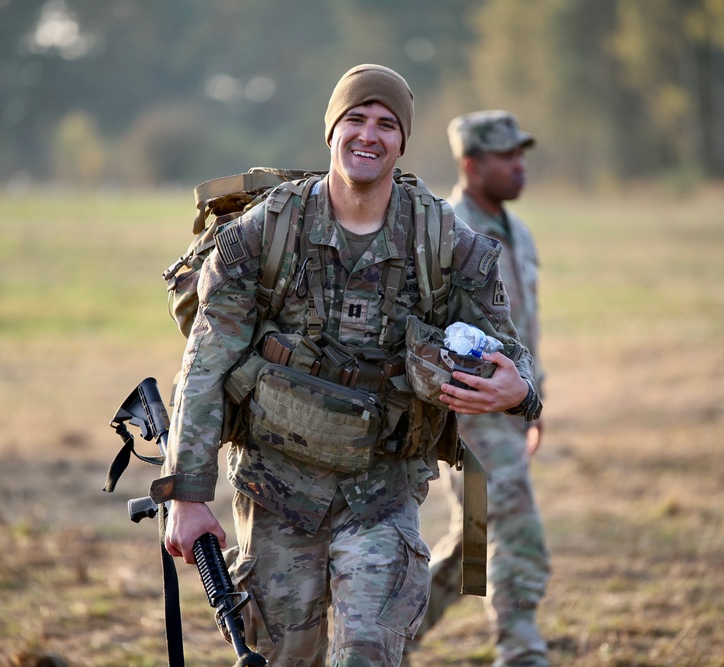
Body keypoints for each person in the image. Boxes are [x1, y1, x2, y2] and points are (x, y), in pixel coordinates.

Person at [156, 66, 542, 666]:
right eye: (355, 119)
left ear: (403, 142)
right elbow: (206, 362)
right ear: (331, 131)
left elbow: (508, 351)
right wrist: (187, 494)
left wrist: (519, 392)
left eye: (387, 124)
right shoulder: (263, 234)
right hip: (276, 491)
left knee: (366, 654)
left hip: (383, 495)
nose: (370, 135)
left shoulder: (445, 241)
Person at [411, 110, 551, 666]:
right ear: (471, 164)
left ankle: (384, 636)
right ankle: (523, 651)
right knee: (515, 527)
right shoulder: (448, 234)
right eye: (506, 157)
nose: (520, 167)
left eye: (522, 155)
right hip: (468, 414)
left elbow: (527, 327)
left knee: (473, 539)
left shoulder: (518, 232)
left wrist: (533, 404)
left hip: (511, 411)